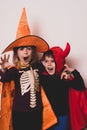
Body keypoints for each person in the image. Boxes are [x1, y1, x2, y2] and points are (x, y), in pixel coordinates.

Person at [0, 7, 55, 130]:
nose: (25, 52)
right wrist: (3, 69)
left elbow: (50, 70)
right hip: (19, 112)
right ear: (16, 53)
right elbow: (4, 79)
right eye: (21, 49)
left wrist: (51, 65)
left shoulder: (38, 66)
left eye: (29, 48)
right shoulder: (14, 71)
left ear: (33, 51)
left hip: (36, 112)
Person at [39, 43, 87, 130]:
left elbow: (80, 87)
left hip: (62, 116)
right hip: (47, 116)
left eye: (52, 61)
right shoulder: (42, 77)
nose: (49, 64)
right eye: (46, 61)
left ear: (58, 62)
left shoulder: (64, 77)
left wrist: (74, 72)